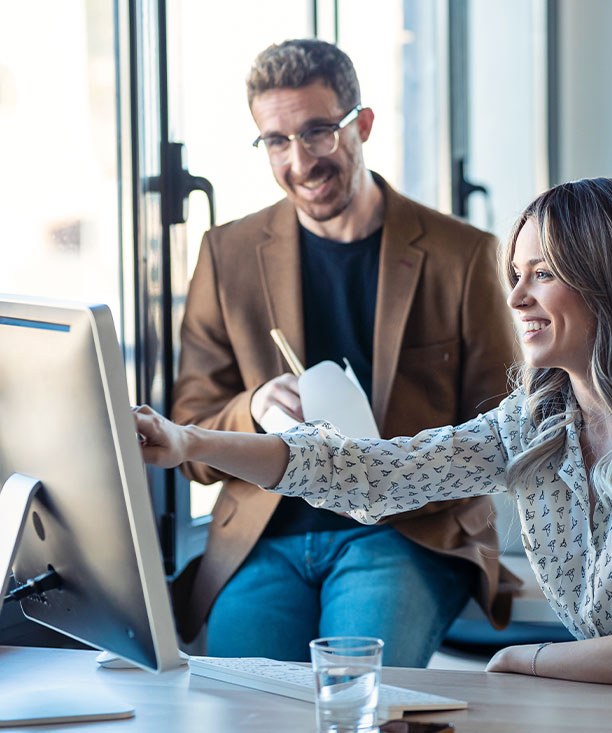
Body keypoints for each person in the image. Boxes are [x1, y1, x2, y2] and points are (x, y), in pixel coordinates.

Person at [139, 177, 612, 686]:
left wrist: (519, 662)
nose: (514, 299)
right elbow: (368, 473)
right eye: (516, 274)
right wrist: (189, 442)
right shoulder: (538, 419)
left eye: (543, 273)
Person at [169, 38, 517, 665]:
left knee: (358, 693)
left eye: (318, 132)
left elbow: (504, 427)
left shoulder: (462, 255)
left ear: (362, 125)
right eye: (276, 141)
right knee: (242, 703)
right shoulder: (227, 254)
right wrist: (252, 408)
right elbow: (190, 431)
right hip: (263, 534)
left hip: (404, 530)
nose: (300, 161)